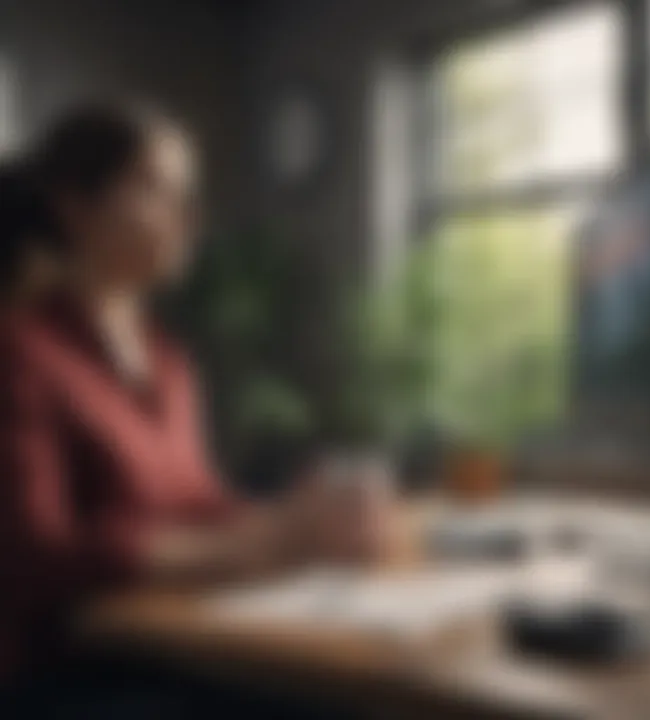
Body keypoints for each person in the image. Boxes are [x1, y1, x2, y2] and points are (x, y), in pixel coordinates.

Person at [0, 101, 393, 715]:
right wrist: (262, 545)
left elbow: (193, 502)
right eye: (157, 189)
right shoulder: (19, 350)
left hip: (172, 648)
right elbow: (37, 561)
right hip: (62, 676)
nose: (190, 216)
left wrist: (295, 513)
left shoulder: (170, 360)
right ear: (73, 205)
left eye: (189, 193)